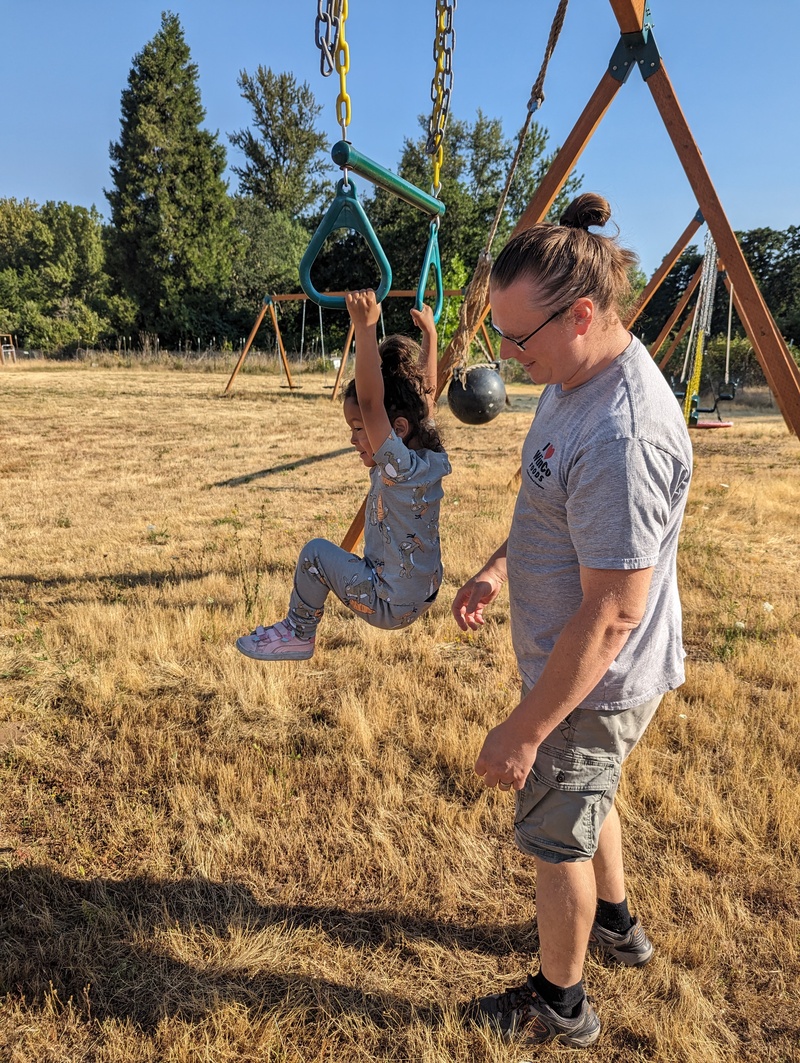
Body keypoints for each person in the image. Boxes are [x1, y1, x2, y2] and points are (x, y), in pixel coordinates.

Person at [452, 193, 693, 1048]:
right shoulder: (573, 376)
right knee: (590, 801)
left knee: (556, 838)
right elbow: (550, 510)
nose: (508, 359)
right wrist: (497, 565)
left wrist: (525, 728)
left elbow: (615, 611)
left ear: (581, 314)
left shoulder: (623, 435)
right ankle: (620, 925)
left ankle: (561, 1002)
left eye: (518, 339)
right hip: (578, 673)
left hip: (592, 681)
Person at [236, 290, 450, 661]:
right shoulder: (427, 455)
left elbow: (370, 402)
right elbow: (424, 399)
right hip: (424, 592)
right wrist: (429, 338)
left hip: (388, 601)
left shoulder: (396, 466)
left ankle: (298, 633)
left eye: (359, 427)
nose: (353, 437)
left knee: (316, 554)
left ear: (395, 429)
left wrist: (365, 331)